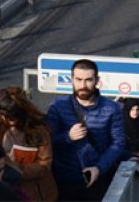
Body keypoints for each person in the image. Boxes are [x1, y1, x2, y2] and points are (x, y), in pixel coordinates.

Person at [46, 59, 126, 201]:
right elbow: (47, 140)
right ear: (72, 79)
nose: (83, 85)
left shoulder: (112, 109)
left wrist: (99, 168)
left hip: (96, 180)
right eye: (78, 79)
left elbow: (118, 143)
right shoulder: (58, 106)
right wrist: (68, 137)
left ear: (97, 80)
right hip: (63, 180)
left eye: (88, 80)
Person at [0, 86, 57, 201]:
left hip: (36, 192)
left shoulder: (38, 131)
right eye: (5, 117)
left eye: (13, 118)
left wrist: (16, 168)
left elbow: (45, 166)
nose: (8, 121)